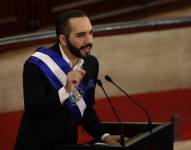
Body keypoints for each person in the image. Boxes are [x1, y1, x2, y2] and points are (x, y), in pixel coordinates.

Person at [14, 10, 124, 150]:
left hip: (68, 143)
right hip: (37, 144)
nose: (88, 40)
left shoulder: (90, 64)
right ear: (63, 39)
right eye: (81, 35)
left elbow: (84, 107)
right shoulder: (36, 65)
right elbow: (34, 110)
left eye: (90, 33)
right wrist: (65, 91)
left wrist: (104, 136)